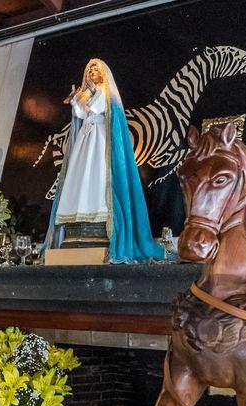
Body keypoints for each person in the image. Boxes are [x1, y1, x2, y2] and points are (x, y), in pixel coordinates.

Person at [41, 58, 163, 263]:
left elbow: (97, 108)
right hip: (85, 139)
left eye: (95, 69)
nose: (91, 71)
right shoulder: (87, 92)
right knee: (80, 176)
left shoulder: (107, 91)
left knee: (97, 175)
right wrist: (75, 99)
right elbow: (80, 112)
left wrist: (90, 93)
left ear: (103, 73)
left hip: (100, 139)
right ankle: (78, 218)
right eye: (89, 69)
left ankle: (98, 220)